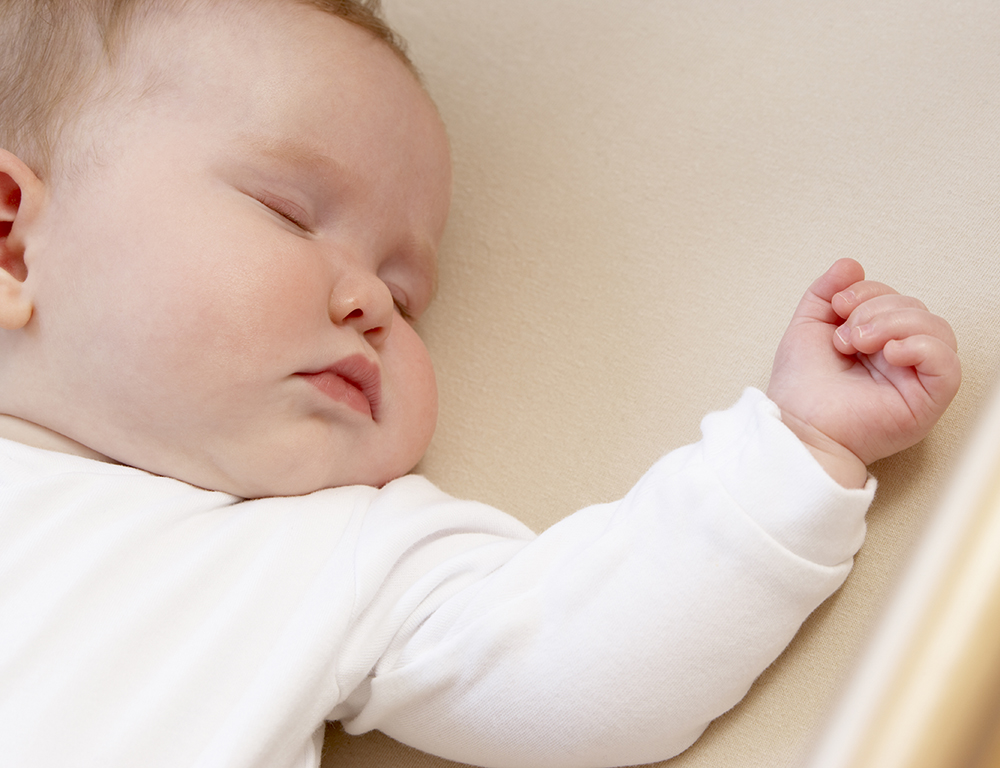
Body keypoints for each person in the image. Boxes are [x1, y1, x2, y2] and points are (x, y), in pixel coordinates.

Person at [0, 1, 960, 767]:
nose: (372, 299)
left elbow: (581, 673)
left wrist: (801, 448)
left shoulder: (335, 554)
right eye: (289, 214)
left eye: (410, 298)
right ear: (12, 241)